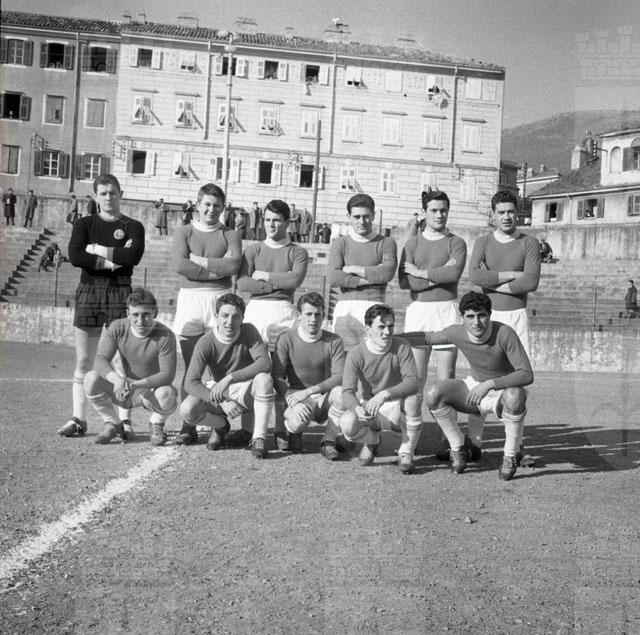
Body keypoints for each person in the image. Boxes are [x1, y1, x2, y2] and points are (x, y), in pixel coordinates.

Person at [405, 291, 534, 480]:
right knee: (434, 393)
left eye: (482, 315)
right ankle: (459, 447)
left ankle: (510, 456)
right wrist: (389, 337)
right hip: (474, 388)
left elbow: (526, 374)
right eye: (470, 316)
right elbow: (428, 337)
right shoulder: (457, 332)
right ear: (462, 317)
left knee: (515, 395)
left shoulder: (504, 333)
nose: (476, 322)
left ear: (490, 314)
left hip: (503, 393)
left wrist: (489, 384)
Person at [57, 174, 145, 439]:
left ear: (121, 194)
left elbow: (133, 256)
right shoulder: (84, 224)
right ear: (95, 196)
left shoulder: (133, 226)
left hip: (121, 291)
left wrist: (95, 249)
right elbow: (75, 256)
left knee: (121, 360)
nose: (108, 198)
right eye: (103, 193)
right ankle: (78, 419)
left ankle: (125, 420)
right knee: (85, 359)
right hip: (89, 291)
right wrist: (112, 261)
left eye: (113, 193)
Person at [466, 190, 540, 454]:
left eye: (511, 211)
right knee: (480, 376)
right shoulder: (483, 242)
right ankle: (473, 442)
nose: (507, 217)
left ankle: (516, 446)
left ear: (517, 213)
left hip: (516, 316)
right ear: (493, 215)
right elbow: (475, 276)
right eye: (501, 212)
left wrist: (493, 281)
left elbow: (531, 281)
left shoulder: (529, 242)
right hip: (487, 317)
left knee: (518, 380)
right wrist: (511, 275)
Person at [171, 183, 242, 443]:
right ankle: (187, 424)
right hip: (190, 299)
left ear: (223, 208)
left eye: (217, 206)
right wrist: (216, 270)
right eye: (207, 205)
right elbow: (180, 265)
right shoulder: (184, 231)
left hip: (218, 299)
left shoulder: (230, 234)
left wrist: (200, 262)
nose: (212, 210)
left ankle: (216, 422)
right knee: (192, 367)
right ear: (198, 205)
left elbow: (233, 266)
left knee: (217, 368)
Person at [179, 293, 275, 459]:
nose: (229, 322)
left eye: (235, 316)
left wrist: (230, 378)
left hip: (245, 390)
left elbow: (265, 363)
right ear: (216, 316)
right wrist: (222, 402)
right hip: (220, 392)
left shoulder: (248, 331)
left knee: (265, 380)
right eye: (224, 316)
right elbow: (190, 382)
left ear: (242, 318)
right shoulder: (206, 341)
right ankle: (221, 425)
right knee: (187, 410)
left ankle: (258, 439)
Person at [399, 190, 467, 418]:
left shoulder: (456, 243)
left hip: (447, 310)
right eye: (434, 210)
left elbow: (453, 274)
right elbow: (404, 281)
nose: (439, 215)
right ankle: (411, 431)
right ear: (424, 212)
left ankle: (447, 434)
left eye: (443, 210)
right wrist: (439, 274)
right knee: (416, 377)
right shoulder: (412, 243)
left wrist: (420, 273)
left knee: (446, 378)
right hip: (419, 311)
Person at [83, 288, 178, 445]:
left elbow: (167, 374)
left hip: (149, 391)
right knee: (90, 378)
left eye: (146, 314)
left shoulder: (165, 334)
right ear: (128, 314)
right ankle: (113, 423)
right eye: (135, 315)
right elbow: (100, 360)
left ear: (155, 313)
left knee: (167, 393)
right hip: (123, 388)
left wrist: (134, 385)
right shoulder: (118, 327)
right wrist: (117, 380)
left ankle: (157, 424)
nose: (140, 320)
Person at [339, 304, 421, 473]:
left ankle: (406, 452)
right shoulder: (355, 353)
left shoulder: (402, 346)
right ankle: (372, 441)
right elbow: (347, 392)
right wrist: (358, 409)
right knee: (347, 423)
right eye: (381, 327)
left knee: (414, 399)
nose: (387, 332)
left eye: (391, 326)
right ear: (368, 330)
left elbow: (413, 381)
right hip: (371, 408)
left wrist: (384, 395)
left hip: (396, 406)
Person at [272, 292, 346, 457]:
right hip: (296, 397)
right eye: (308, 314)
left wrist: (310, 391)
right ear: (299, 315)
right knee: (297, 422)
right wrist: (292, 399)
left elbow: (339, 376)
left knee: (341, 393)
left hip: (321, 398)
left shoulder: (334, 341)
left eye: (317, 314)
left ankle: (328, 440)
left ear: (323, 316)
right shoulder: (286, 339)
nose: (313, 319)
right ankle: (292, 432)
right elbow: (277, 376)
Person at [237, 199, 309, 352]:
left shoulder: (298, 252)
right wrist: (281, 282)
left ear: (287, 223)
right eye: (267, 220)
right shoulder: (252, 250)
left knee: (281, 363)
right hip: (256, 309)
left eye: (276, 220)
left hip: (284, 310)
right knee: (252, 361)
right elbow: (242, 283)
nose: (270, 224)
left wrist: (265, 276)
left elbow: (295, 280)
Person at [329, 193, 397, 349]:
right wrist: (373, 277)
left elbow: (387, 272)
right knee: (345, 358)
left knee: (376, 357)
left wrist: (353, 269)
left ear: (373, 215)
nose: (362, 221)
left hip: (376, 307)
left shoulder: (386, 243)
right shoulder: (340, 243)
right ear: (349, 216)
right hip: (347, 308)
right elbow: (334, 276)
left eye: (366, 216)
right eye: (357, 217)